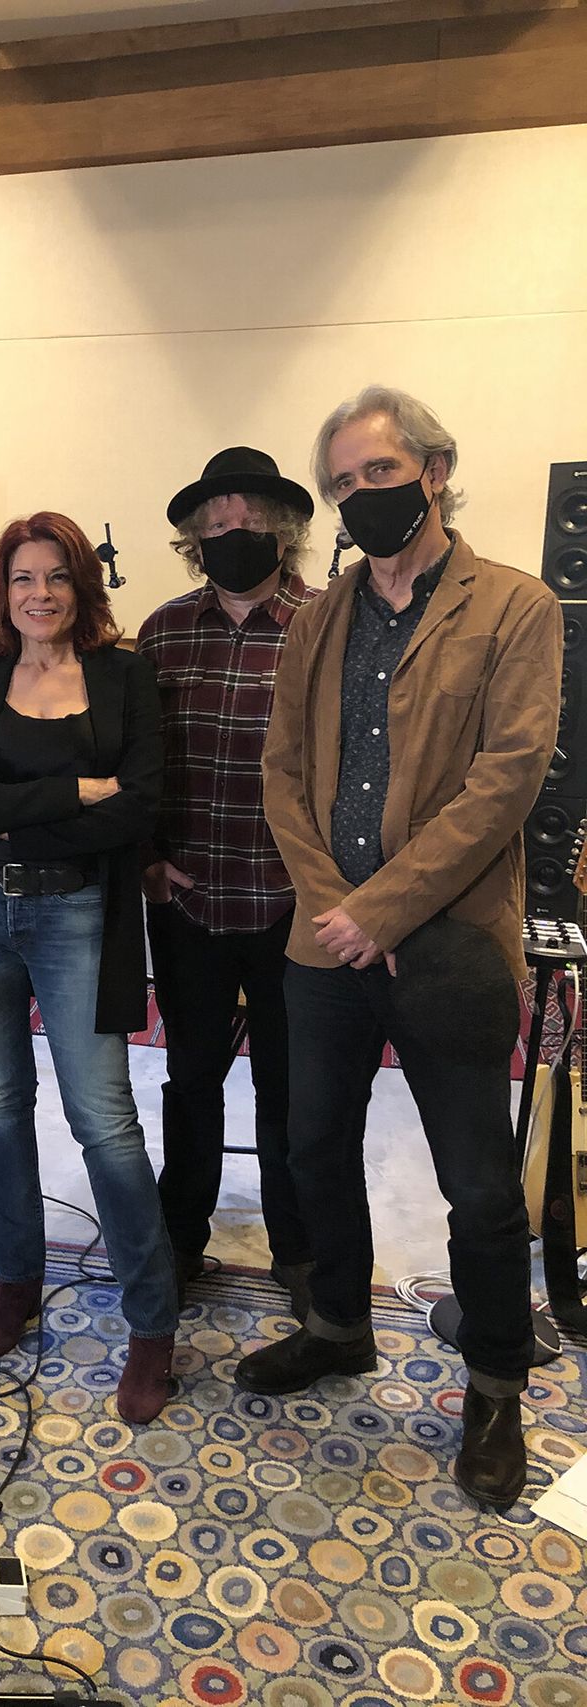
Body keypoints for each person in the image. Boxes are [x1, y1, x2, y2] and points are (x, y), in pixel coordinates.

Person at [234, 386, 562, 1509]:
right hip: (324, 940)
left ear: (432, 469)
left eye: (377, 474)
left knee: (475, 1181)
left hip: (449, 941)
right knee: (310, 1141)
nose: (358, 497)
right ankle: (333, 1324)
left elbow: (504, 781)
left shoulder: (516, 605)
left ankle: (491, 1385)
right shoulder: (316, 616)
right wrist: (336, 905)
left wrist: (384, 909)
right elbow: (281, 773)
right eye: (340, 483)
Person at [0, 512, 178, 1426]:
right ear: (4, 590)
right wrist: (73, 791)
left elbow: (138, 810)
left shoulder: (125, 677)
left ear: (82, 587)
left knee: (104, 1118)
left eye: (58, 577)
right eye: (24, 578)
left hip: (78, 915)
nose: (41, 594)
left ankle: (152, 1321)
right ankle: (15, 1276)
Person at [138, 448, 316, 1316]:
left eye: (247, 524)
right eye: (214, 528)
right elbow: (138, 764)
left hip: (295, 908)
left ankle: (300, 1247)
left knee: (291, 1087)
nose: (231, 537)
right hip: (191, 902)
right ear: (193, 543)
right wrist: (145, 859)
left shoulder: (327, 625)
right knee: (191, 1080)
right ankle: (181, 1236)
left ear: (284, 534)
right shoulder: (164, 630)